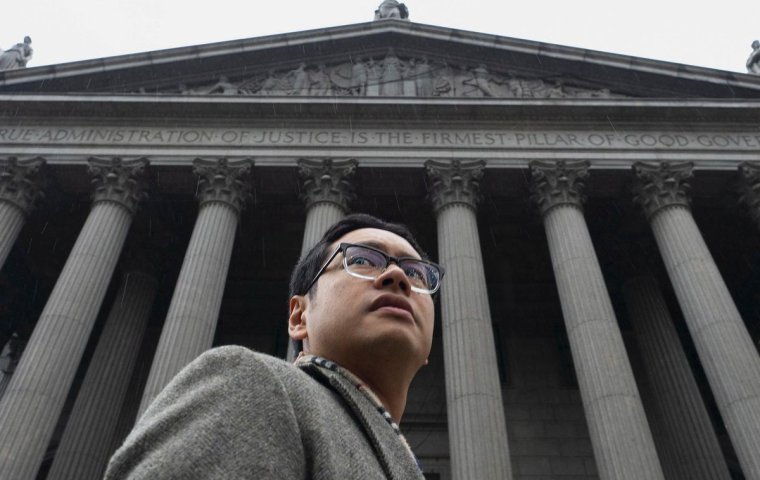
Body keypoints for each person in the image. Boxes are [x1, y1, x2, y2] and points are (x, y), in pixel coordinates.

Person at [104, 213, 443, 479]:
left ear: (427, 350)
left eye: (416, 273)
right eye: (361, 260)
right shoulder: (250, 385)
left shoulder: (395, 456)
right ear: (298, 317)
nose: (397, 277)